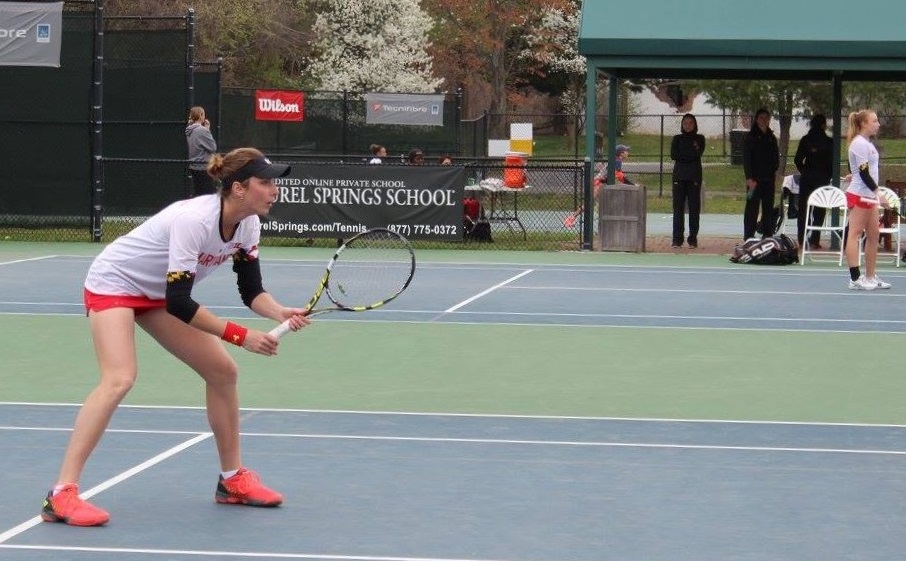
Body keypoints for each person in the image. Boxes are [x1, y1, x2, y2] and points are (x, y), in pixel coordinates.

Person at [40, 147, 311, 527]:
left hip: (158, 295)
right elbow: (181, 303)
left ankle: (232, 481)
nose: (274, 190)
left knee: (222, 371)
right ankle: (61, 495)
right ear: (238, 188)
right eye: (265, 183)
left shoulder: (248, 224)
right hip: (115, 282)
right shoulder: (194, 221)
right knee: (119, 378)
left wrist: (278, 311)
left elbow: (252, 292)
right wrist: (240, 335)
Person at [844, 110, 890, 290]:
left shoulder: (867, 144)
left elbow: (859, 168)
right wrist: (879, 193)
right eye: (875, 121)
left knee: (873, 236)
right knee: (854, 234)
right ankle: (855, 279)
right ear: (864, 123)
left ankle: (870, 276)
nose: (878, 124)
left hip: (868, 195)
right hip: (860, 195)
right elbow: (863, 173)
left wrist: (853, 174)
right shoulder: (859, 143)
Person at [794, 114, 834, 248]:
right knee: (819, 210)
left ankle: (801, 239)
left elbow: (798, 160)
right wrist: (828, 175)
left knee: (803, 210)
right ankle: (814, 240)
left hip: (807, 178)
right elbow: (832, 163)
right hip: (822, 179)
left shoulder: (806, 140)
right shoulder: (829, 142)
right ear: (823, 125)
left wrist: (804, 171)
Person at [742, 108, 780, 239]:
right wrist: (749, 178)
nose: (764, 120)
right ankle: (748, 236)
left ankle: (767, 234)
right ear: (757, 119)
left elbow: (776, 158)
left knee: (768, 208)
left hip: (769, 179)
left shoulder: (771, 137)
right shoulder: (750, 137)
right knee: (752, 208)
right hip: (754, 181)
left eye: (766, 118)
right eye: (761, 118)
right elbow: (747, 159)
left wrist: (773, 171)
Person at [670, 113, 706, 248]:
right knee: (678, 208)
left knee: (694, 208)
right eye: (685, 123)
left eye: (690, 123)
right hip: (679, 177)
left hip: (694, 177)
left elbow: (697, 154)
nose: (688, 125)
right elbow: (674, 155)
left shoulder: (700, 138)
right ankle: (677, 239)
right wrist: (688, 155)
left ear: (695, 124)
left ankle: (692, 238)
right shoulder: (677, 139)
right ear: (682, 124)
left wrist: (685, 155)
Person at [186, 106, 218, 196]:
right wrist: (207, 130)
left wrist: (206, 129)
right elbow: (213, 147)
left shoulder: (189, 129)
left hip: (194, 166)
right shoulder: (201, 130)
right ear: (200, 115)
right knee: (207, 195)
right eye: (203, 114)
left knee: (198, 193)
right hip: (203, 167)